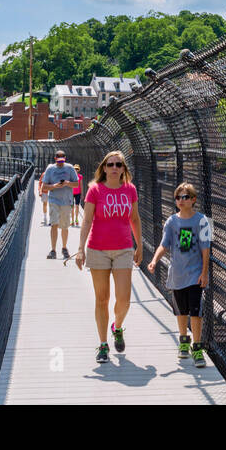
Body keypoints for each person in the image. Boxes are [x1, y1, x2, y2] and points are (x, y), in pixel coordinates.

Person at [74, 150, 141, 363]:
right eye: (110, 164)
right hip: (98, 249)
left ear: (123, 169)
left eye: (118, 165)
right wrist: (80, 248)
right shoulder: (95, 190)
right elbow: (86, 221)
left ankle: (117, 326)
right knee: (101, 299)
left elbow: (135, 219)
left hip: (123, 248)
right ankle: (103, 344)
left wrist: (139, 246)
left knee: (124, 299)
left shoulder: (130, 190)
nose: (114, 168)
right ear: (104, 168)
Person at [147, 182, 211, 367]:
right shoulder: (172, 221)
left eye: (184, 197)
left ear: (193, 200)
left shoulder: (203, 221)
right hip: (177, 274)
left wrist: (204, 272)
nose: (180, 201)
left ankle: (197, 348)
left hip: (195, 274)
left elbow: (206, 248)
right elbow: (164, 244)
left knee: (196, 311)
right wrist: (154, 260)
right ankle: (184, 342)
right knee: (181, 310)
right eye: (178, 197)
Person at [40, 150, 79, 259]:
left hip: (66, 201)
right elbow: (44, 187)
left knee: (65, 226)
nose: (61, 162)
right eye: (59, 159)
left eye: (62, 159)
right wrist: (55, 186)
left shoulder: (70, 168)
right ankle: (53, 250)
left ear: (65, 158)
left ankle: (64, 247)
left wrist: (67, 183)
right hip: (54, 201)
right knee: (54, 224)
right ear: (55, 158)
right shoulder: (50, 169)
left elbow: (76, 184)